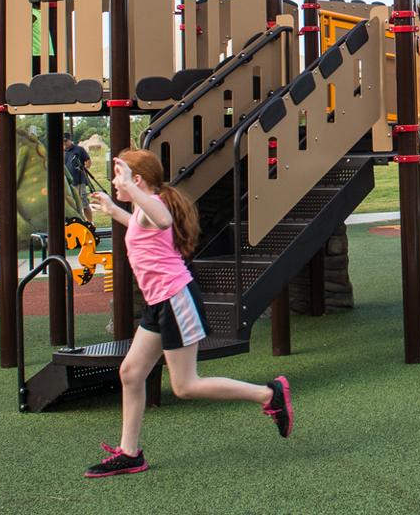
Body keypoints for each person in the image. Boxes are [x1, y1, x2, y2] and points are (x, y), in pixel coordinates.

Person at [84, 149, 293, 478]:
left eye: (119, 176)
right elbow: (143, 227)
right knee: (131, 373)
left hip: (175, 299)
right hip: (160, 302)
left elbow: (162, 220)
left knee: (185, 386)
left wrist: (130, 189)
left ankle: (269, 394)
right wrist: (113, 209)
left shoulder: (157, 206)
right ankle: (130, 453)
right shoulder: (142, 209)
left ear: (136, 180)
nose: (114, 182)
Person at [63, 134, 92, 214]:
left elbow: (88, 161)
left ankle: (90, 224)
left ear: (70, 140)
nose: (64, 143)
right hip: (67, 183)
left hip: (79, 181)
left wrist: (84, 170)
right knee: (72, 206)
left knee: (84, 204)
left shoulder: (79, 149)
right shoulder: (62, 152)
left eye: (65, 140)